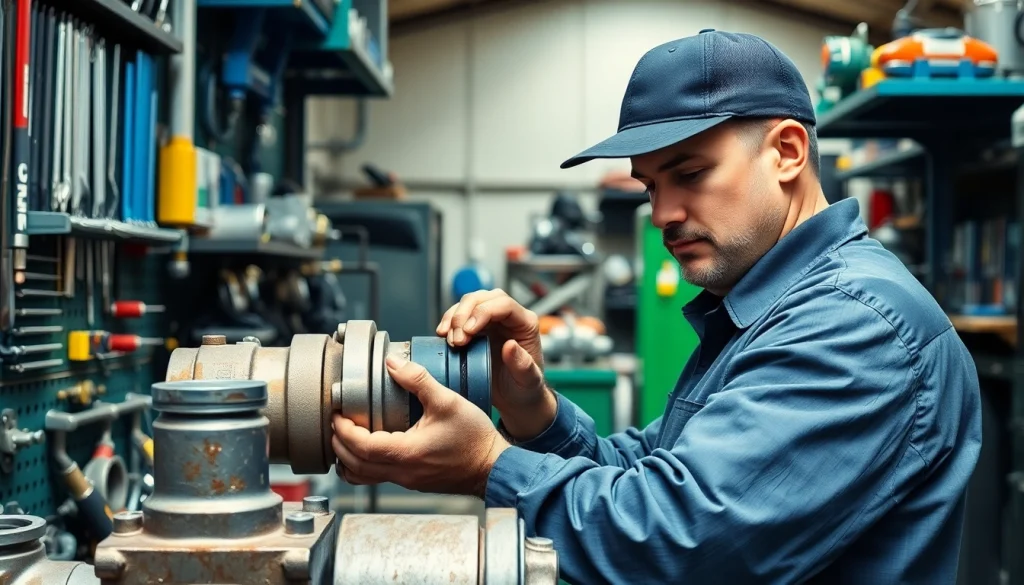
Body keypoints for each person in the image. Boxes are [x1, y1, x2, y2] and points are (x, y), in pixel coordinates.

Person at [331, 29, 982, 584]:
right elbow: (658, 474)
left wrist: (488, 464)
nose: (664, 214)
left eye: (690, 173)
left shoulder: (854, 323)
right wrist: (535, 412)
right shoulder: (766, 306)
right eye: (651, 186)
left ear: (786, 151)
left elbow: (677, 539)